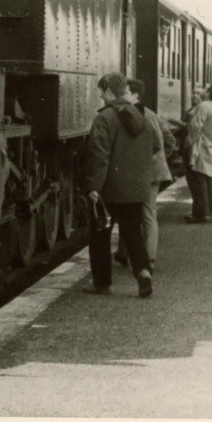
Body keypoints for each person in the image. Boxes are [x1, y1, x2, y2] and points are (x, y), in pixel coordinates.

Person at [84, 73, 157, 298]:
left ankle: (103, 284)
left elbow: (99, 156)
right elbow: (155, 146)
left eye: (101, 92)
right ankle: (143, 273)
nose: (100, 96)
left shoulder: (104, 118)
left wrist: (94, 187)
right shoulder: (140, 114)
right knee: (132, 232)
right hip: (135, 188)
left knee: (99, 236)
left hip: (109, 188)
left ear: (108, 92)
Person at [115, 79, 175, 273]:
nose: (121, 97)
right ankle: (142, 257)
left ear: (135, 96)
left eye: (125, 94)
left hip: (142, 171)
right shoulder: (152, 114)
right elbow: (170, 141)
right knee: (144, 212)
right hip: (154, 171)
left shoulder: (135, 115)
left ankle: (143, 257)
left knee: (136, 211)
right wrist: (161, 160)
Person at [183, 84, 212, 223]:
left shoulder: (204, 106)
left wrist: (188, 142)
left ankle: (201, 214)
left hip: (201, 146)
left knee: (199, 181)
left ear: (208, 93)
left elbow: (196, 126)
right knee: (209, 179)